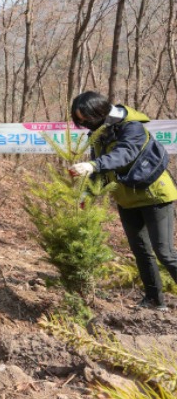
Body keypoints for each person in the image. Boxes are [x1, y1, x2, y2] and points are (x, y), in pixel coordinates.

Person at [69, 91, 177, 311]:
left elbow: (124, 154)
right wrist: (87, 193)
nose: (83, 124)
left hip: (154, 195)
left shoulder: (132, 127)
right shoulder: (98, 133)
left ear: (99, 111)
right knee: (141, 251)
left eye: (85, 119)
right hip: (126, 199)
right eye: (79, 121)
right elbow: (99, 169)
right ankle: (154, 299)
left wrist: (94, 165)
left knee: (164, 251)